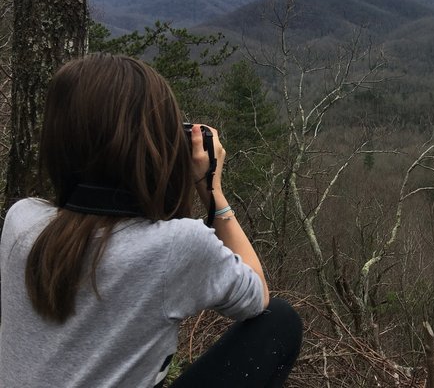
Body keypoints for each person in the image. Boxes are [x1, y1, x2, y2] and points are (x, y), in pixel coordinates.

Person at [0, 53, 302, 387]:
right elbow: (258, 296)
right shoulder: (176, 245)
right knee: (281, 321)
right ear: (154, 145)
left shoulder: (21, 219)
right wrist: (210, 189)